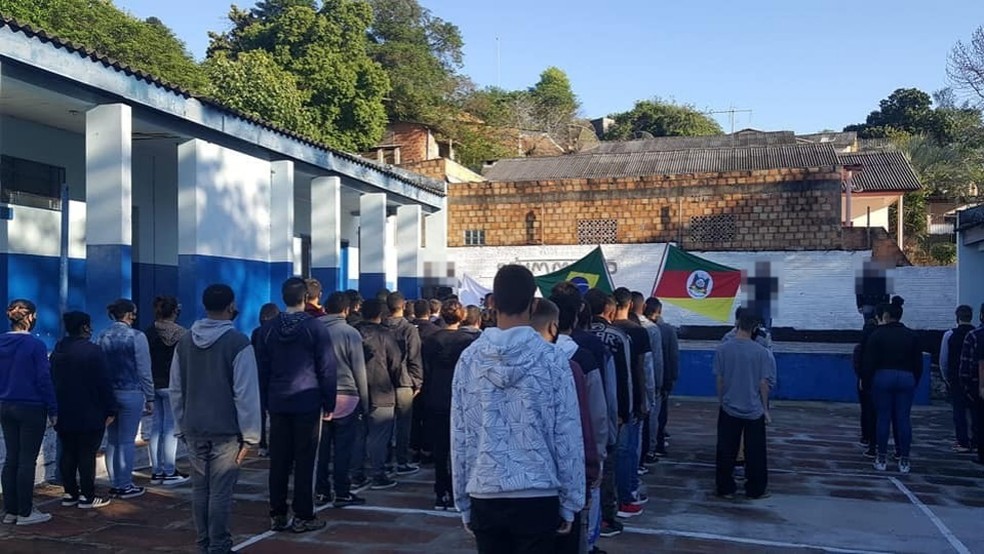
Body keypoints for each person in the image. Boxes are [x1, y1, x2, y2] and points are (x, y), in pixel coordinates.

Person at [452, 265, 584, 551]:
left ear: (493, 303)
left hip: (485, 489)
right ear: (534, 304)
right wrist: (571, 501)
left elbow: (460, 435)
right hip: (539, 491)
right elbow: (567, 433)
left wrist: (462, 501)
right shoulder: (552, 360)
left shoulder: (469, 360)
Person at [169, 284, 262, 553]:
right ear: (231, 306)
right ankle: (219, 545)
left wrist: (180, 426)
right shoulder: (238, 343)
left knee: (200, 490)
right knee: (220, 491)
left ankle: (204, 543)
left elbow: (177, 388)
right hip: (225, 430)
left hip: (195, 426)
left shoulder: (184, 342)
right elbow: (245, 393)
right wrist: (251, 435)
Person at [255, 277, 337, 533]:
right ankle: (304, 514)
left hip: (278, 401)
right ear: (305, 297)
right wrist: (329, 400)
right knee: (305, 460)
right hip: (307, 400)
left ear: (283, 297)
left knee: (278, 460)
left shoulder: (268, 329)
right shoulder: (315, 328)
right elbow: (327, 367)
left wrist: (264, 401)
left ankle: (277, 513)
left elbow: (261, 369)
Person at [530, 298, 598, 554]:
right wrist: (587, 476)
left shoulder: (478, 359)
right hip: (550, 487)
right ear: (553, 327)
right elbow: (576, 431)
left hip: (496, 490)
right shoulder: (569, 367)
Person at [548, 291, 609, 553]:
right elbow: (598, 413)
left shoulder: (509, 358)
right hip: (574, 457)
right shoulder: (580, 358)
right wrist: (598, 455)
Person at [50, 311, 116, 510]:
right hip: (89, 410)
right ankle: (87, 495)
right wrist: (111, 409)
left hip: (64, 409)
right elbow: (104, 382)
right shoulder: (93, 351)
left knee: (68, 452)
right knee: (86, 454)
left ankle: (70, 492)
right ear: (85, 327)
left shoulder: (58, 350)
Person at [0, 299, 58, 525]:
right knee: (27, 460)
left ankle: (11, 510)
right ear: (31, 317)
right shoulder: (36, 346)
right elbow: (44, 379)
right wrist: (53, 408)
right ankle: (26, 511)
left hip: (5, 405)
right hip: (31, 406)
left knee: (11, 458)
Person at [585, 288, 639, 524]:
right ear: (609, 309)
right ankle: (607, 515)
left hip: (578, 410)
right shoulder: (618, 337)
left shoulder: (576, 337)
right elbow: (626, 377)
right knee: (608, 462)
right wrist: (625, 412)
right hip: (608, 408)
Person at [421, 299, 479, 510]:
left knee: (440, 450)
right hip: (461, 400)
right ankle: (458, 493)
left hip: (436, 397)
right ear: (461, 316)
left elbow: (425, 369)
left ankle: (440, 492)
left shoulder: (431, 339)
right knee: (461, 449)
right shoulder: (469, 341)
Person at [714, 310, 776, 499]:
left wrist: (722, 400)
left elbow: (720, 379)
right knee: (755, 452)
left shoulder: (723, 349)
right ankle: (755, 489)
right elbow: (763, 383)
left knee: (726, 449)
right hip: (753, 409)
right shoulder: (761, 352)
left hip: (729, 406)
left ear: (737, 323)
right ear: (755, 327)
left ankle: (725, 487)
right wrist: (765, 409)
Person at [315, 292, 369, 507]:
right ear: (347, 310)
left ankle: (321, 490)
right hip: (347, 396)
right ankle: (342, 491)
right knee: (343, 449)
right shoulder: (350, 333)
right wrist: (364, 400)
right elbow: (359, 369)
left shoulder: (314, 330)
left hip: (319, 396)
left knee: (321, 449)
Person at [97, 298, 154, 499]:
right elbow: (144, 370)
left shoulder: (102, 336)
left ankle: (115, 482)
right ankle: (125, 483)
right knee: (127, 440)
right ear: (130, 314)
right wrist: (150, 396)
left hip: (109, 393)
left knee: (112, 439)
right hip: (132, 392)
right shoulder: (137, 336)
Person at [862, 296, 922, 473]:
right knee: (903, 418)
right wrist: (914, 381)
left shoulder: (877, 335)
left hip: (883, 376)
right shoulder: (912, 336)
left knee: (883, 417)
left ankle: (881, 458)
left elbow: (868, 362)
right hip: (906, 377)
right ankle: (904, 460)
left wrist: (867, 382)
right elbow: (918, 363)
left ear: (886, 316)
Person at [354, 299, 404, 491]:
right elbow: (395, 362)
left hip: (358, 388)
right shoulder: (385, 335)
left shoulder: (354, 332)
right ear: (381, 315)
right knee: (379, 435)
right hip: (382, 389)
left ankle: (356, 473)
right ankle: (377, 473)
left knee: (358, 434)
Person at [144, 296, 189, 486]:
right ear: (174, 312)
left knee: (156, 427)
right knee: (170, 428)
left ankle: (156, 470)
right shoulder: (183, 334)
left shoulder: (149, 332)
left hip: (154, 383)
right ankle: (169, 470)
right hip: (173, 384)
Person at [611, 288, 651, 496]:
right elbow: (642, 368)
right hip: (630, 396)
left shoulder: (604, 331)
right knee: (628, 448)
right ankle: (628, 492)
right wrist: (644, 399)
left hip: (607, 398)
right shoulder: (638, 331)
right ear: (630, 305)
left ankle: (617, 494)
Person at [383, 292, 423, 475]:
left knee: (384, 425)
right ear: (404, 305)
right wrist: (418, 381)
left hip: (383, 381)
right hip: (404, 381)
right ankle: (401, 460)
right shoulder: (409, 329)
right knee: (403, 424)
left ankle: (384, 461)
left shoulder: (380, 327)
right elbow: (414, 356)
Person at [632, 292, 663, 467]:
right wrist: (659, 384)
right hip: (643, 382)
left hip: (626, 386)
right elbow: (655, 360)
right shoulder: (651, 329)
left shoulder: (616, 327)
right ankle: (646, 455)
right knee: (646, 421)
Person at [645, 298, 679, 458]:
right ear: (659, 311)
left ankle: (651, 445)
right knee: (659, 414)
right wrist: (672, 377)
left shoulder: (642, 327)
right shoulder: (666, 329)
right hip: (662, 378)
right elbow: (673, 355)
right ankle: (657, 445)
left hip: (645, 378)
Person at [940, 305, 976, 453]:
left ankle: (962, 441)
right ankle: (976, 440)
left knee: (959, 411)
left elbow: (944, 360)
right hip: (975, 378)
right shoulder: (976, 333)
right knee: (976, 411)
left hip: (956, 377)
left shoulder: (950, 335)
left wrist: (946, 377)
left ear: (957, 317)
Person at [251, 303, 281, 457]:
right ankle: (275, 444)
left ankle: (262, 443)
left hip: (259, 375)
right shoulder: (279, 332)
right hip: (274, 376)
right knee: (275, 413)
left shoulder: (257, 332)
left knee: (261, 412)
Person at [958, 304, 984, 466]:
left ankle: (981, 452)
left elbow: (965, 365)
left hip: (977, 385)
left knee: (979, 420)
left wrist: (966, 386)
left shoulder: (974, 335)